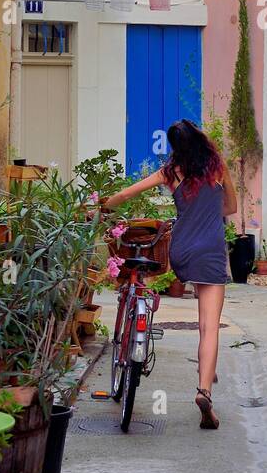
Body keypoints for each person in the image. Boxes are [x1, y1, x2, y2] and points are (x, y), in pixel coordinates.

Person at [101, 120, 237, 430]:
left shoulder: (170, 172)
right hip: (212, 250)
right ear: (199, 139)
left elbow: (126, 194)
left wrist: (99, 205)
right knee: (209, 327)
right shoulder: (217, 168)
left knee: (194, 311)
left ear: (175, 147)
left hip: (182, 251)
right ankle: (204, 391)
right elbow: (230, 207)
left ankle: (193, 362)